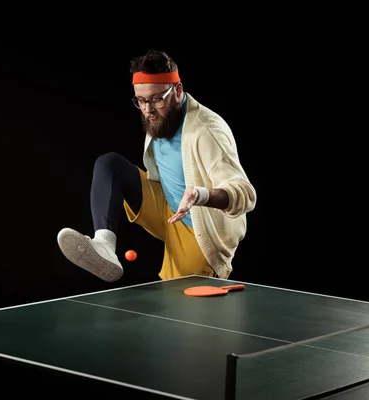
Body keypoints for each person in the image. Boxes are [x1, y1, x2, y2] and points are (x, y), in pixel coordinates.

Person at [57, 49, 256, 282]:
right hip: (165, 205)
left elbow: (246, 194)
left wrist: (200, 195)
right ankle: (104, 244)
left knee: (180, 306)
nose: (148, 110)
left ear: (178, 90)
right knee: (109, 164)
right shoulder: (160, 115)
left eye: (156, 99)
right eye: (141, 101)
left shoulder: (206, 131)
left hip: (199, 228)